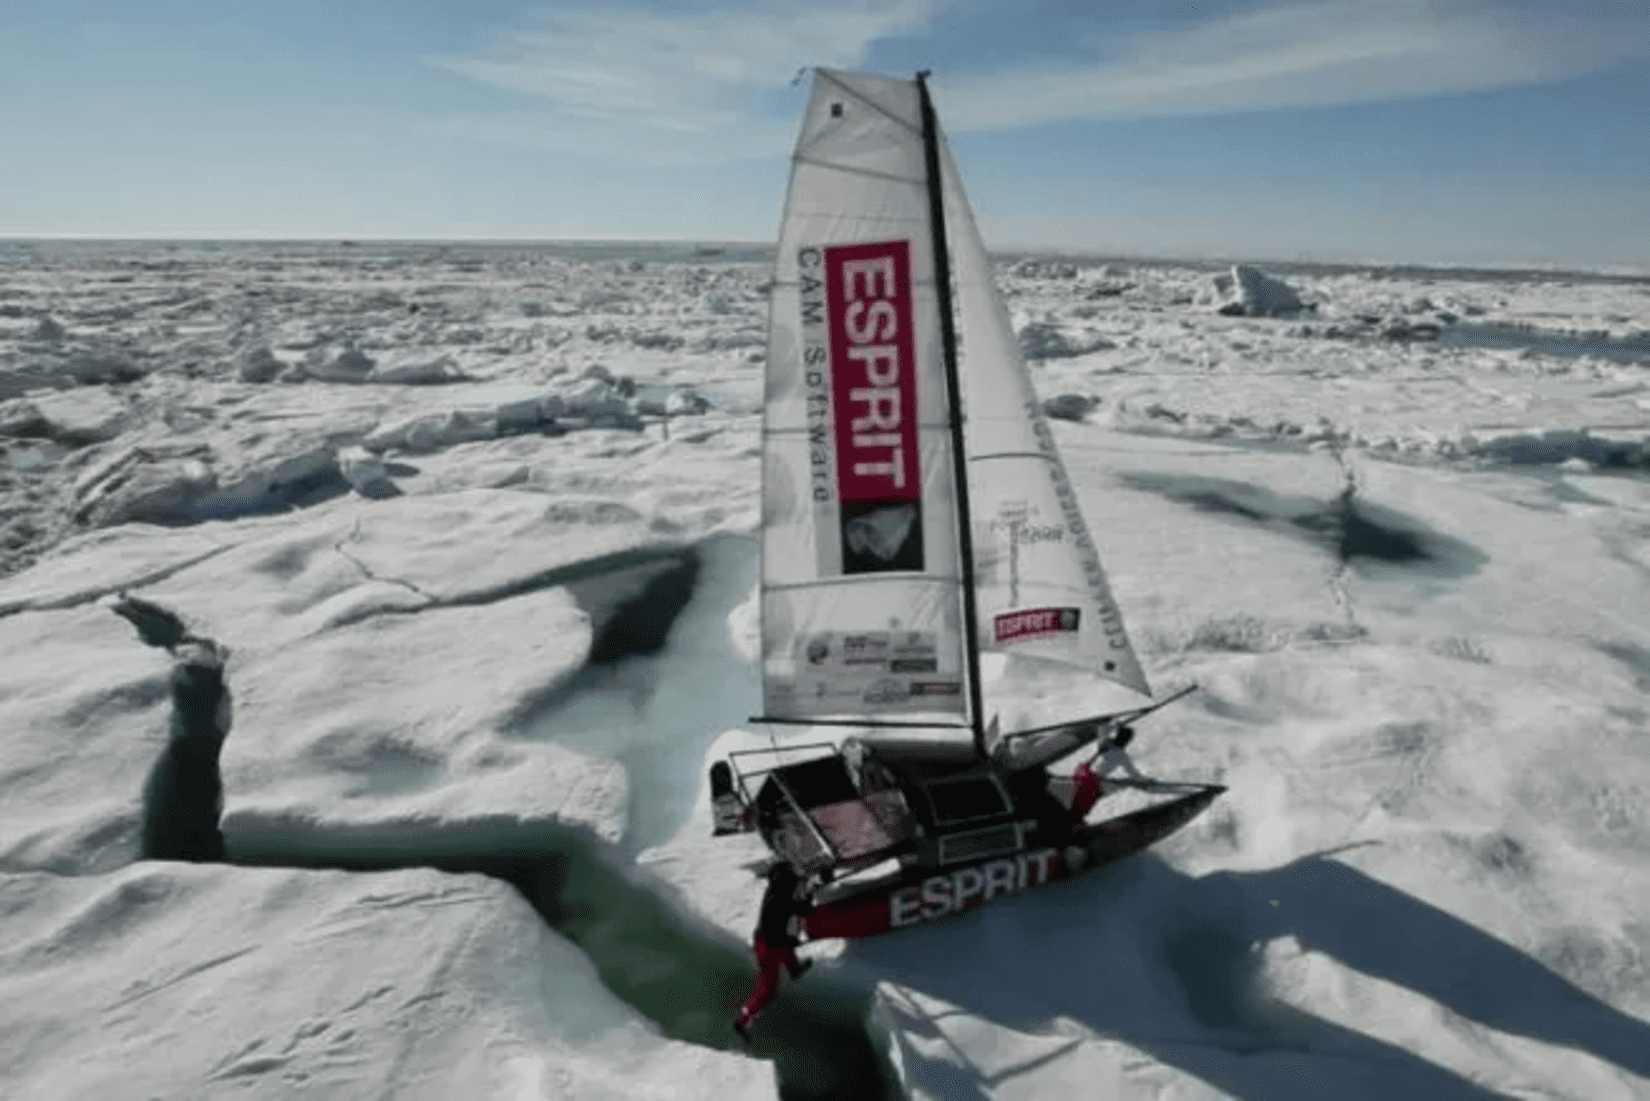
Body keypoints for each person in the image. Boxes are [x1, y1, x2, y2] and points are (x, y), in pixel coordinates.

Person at [733, 862, 813, 1043]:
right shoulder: (780, 899)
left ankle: (794, 969)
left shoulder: (778, 890)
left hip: (768, 939)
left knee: (787, 945)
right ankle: (741, 1022)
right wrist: (804, 901)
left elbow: (791, 907)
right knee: (767, 988)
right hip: (768, 945)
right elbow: (792, 911)